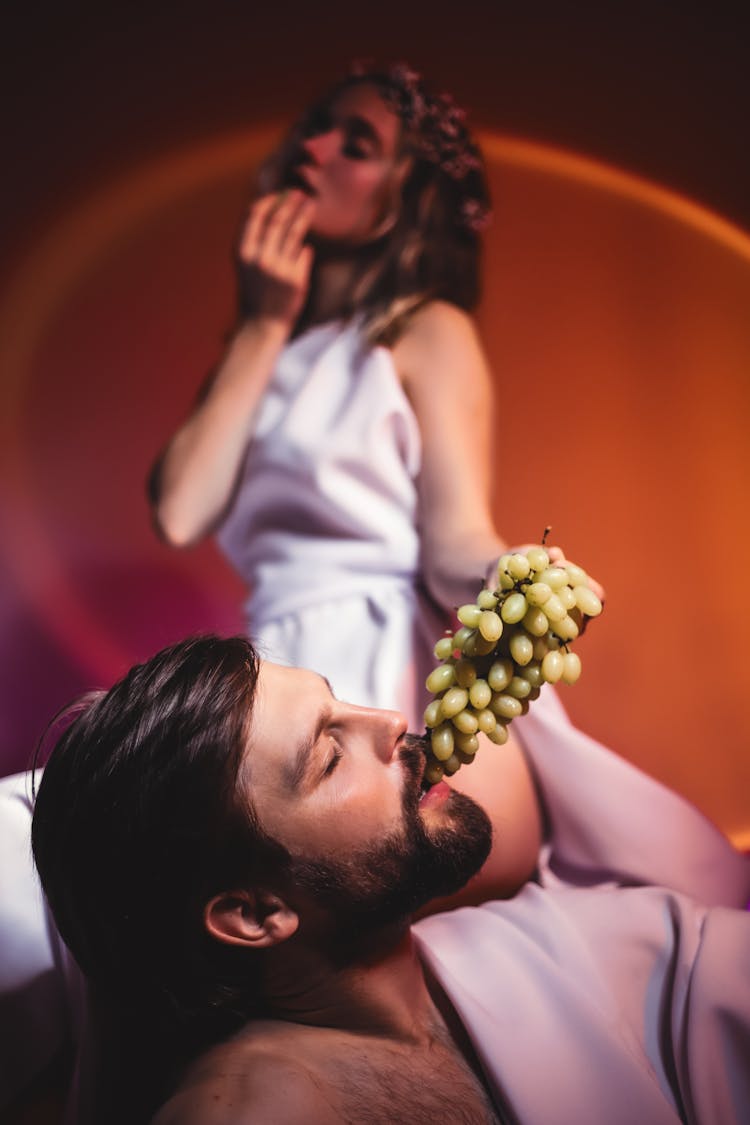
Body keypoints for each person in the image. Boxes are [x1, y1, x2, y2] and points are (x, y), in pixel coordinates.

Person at [29, 634, 750, 1124]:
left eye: (341, 700)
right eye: (330, 757)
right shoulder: (255, 1103)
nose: (391, 719)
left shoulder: (535, 938)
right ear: (253, 912)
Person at [148, 63, 514, 731]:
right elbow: (179, 513)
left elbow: (456, 536)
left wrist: (506, 574)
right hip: (266, 670)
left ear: (409, 195)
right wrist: (264, 323)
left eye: (357, 144)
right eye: (315, 130)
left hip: (387, 663)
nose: (310, 151)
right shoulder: (259, 356)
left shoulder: (426, 329)